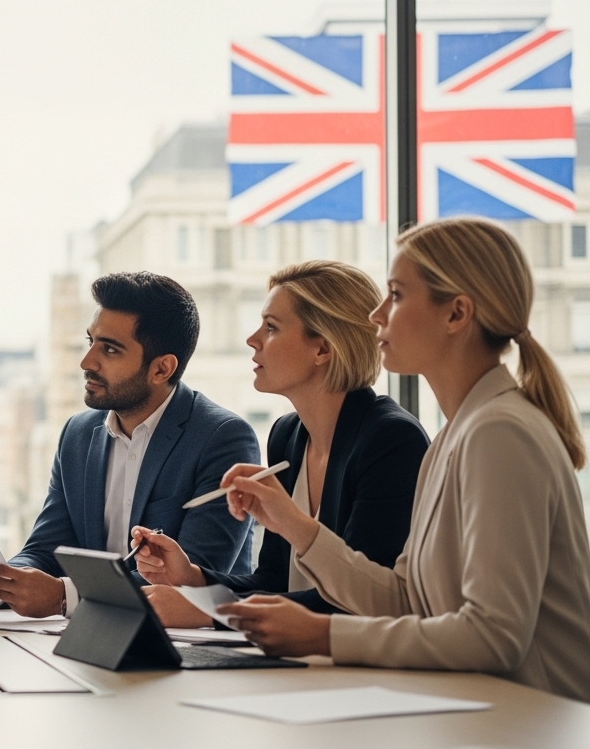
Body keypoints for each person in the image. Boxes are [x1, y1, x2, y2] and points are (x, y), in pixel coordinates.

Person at [216, 218, 590, 703]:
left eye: (395, 294)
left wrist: (321, 635)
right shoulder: (455, 436)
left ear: (456, 315)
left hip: (529, 721)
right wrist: (295, 527)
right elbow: (404, 601)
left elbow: (495, 636)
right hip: (478, 713)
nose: (375, 315)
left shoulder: (500, 433)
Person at [0, 271, 261, 618]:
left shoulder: (221, 438)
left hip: (187, 645)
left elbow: (196, 576)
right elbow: (47, 549)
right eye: (90, 341)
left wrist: (65, 596)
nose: (86, 362)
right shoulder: (78, 433)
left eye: (109, 349)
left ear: (162, 368)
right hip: (89, 638)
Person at [132, 261, 428, 627]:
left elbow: (364, 603)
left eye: (271, 327)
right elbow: (273, 582)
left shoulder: (391, 441)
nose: (252, 339)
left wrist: (212, 612)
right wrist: (191, 578)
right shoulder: (287, 435)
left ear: (322, 349)